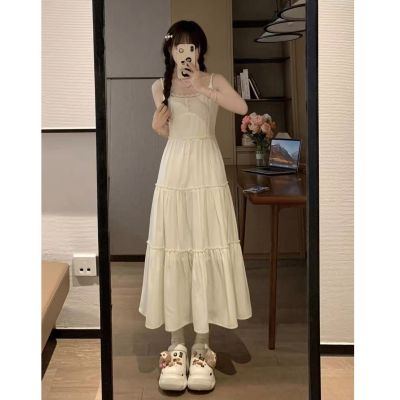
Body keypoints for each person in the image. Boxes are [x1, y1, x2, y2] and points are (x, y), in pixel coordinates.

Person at [138, 20, 252, 392]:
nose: (185, 53)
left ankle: (202, 344)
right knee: (175, 247)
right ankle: (176, 344)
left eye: (192, 47)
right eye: (179, 47)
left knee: (204, 245)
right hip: (175, 168)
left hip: (206, 166)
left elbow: (241, 106)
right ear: (169, 51)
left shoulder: (214, 80)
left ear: (200, 50)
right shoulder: (159, 86)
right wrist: (158, 128)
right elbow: (170, 131)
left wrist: (204, 87)